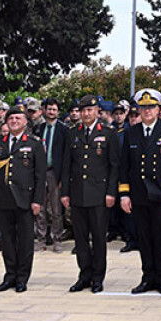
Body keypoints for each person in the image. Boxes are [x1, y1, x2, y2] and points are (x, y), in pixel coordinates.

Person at [118, 89, 161, 294]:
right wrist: (124, 194)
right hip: (138, 195)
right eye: (143, 107)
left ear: (159, 109)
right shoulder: (131, 133)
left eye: (151, 107)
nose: (147, 111)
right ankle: (147, 277)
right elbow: (124, 167)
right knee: (144, 239)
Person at [60, 94, 119, 293]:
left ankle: (97, 277)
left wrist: (111, 192)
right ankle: (84, 275)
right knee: (81, 238)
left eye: (90, 110)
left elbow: (114, 166)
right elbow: (67, 165)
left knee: (99, 238)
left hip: (99, 194)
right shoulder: (72, 132)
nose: (86, 114)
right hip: (77, 193)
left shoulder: (109, 133)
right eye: (83, 110)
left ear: (97, 112)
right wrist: (65, 192)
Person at [0, 106, 46, 293]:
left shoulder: (34, 143)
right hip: (3, 199)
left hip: (25, 199)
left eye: (18, 118)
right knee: (8, 240)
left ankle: (22, 278)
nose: (14, 121)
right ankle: (9, 275)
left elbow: (40, 175)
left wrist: (38, 200)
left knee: (26, 241)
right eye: (11, 118)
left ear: (25, 121)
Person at [33, 97, 70, 253]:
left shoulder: (64, 130)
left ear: (58, 112)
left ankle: (57, 239)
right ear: (44, 110)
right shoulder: (38, 128)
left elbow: (67, 156)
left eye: (54, 109)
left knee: (56, 209)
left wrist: (63, 178)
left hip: (55, 173)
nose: (51, 112)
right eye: (49, 109)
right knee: (39, 207)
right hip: (40, 173)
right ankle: (41, 239)